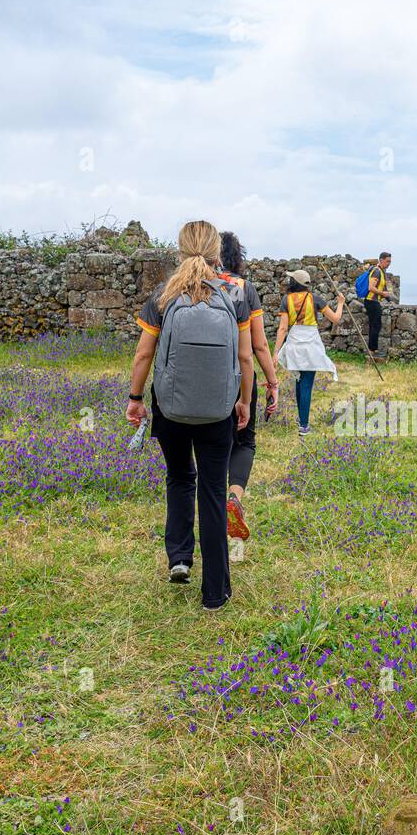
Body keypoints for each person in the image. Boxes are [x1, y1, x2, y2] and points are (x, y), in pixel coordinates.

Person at [126, 220, 253, 611]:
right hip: (218, 411)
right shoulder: (235, 294)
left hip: (171, 409)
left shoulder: (163, 294)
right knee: (214, 493)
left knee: (180, 478)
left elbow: (145, 353)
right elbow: (245, 356)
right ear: (217, 252)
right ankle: (215, 593)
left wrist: (135, 398)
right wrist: (244, 401)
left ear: (179, 250)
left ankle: (179, 558)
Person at [219, 231, 279, 542]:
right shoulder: (244, 289)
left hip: (202, 379)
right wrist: (272, 380)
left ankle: (212, 503)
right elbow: (259, 344)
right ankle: (234, 497)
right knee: (244, 441)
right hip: (240, 376)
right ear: (236, 257)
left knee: (212, 443)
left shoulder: (192, 284)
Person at [272, 269, 343, 438]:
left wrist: (275, 352)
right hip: (311, 344)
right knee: (306, 384)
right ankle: (304, 425)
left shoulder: (286, 300)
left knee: (299, 380)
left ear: (295, 282)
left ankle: (301, 420)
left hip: (295, 343)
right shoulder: (316, 299)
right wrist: (340, 303)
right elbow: (336, 319)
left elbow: (282, 328)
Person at [364, 251, 392, 359]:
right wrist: (382, 294)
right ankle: (372, 351)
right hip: (371, 302)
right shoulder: (376, 271)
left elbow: (382, 288)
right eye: (387, 261)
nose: (389, 263)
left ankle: (372, 350)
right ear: (381, 260)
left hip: (374, 302)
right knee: (375, 326)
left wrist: (389, 299)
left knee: (375, 326)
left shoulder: (381, 271)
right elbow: (371, 288)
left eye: (390, 261)